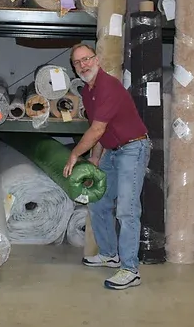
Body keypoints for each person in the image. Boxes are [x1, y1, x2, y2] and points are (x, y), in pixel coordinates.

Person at [63, 43, 150, 290]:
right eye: (78, 62)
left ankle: (131, 269)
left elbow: (97, 129)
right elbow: (100, 131)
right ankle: (110, 254)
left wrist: (75, 155)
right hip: (112, 151)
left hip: (133, 148)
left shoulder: (108, 86)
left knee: (126, 209)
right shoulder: (87, 93)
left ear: (97, 60)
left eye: (87, 59)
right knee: (98, 201)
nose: (84, 65)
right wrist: (94, 158)